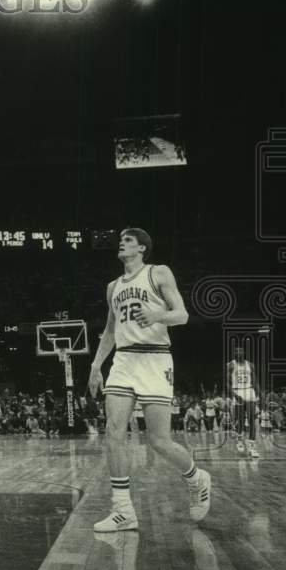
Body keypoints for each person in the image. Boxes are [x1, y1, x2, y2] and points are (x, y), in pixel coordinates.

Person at [87, 228, 211, 532]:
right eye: (122, 240)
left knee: (158, 440)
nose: (122, 242)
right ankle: (123, 510)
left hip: (156, 359)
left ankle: (197, 479)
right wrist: (95, 365)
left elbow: (181, 314)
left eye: (128, 240)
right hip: (125, 360)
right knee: (113, 431)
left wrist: (156, 316)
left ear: (142, 248)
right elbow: (111, 330)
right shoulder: (113, 286)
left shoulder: (158, 273)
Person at [227, 345, 260, 458]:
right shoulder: (231, 365)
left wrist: (259, 395)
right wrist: (234, 395)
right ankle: (240, 440)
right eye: (236, 351)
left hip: (249, 391)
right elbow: (227, 383)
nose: (239, 353)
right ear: (234, 354)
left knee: (251, 419)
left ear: (244, 353)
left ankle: (252, 447)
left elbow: (255, 382)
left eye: (241, 351)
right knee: (240, 420)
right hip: (237, 392)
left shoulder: (250, 365)